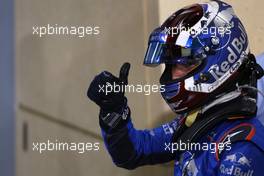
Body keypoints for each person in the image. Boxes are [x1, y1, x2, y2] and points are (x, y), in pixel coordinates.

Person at [87, 1, 264, 175]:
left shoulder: (242, 149)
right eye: (170, 65)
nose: (172, 75)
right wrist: (114, 110)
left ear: (220, 62)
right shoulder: (199, 118)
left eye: (185, 63)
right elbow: (134, 152)